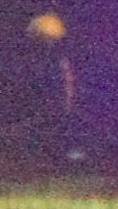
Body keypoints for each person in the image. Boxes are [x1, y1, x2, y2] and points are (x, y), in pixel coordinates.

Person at [29, 12, 85, 164]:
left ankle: (65, 150)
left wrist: (68, 94)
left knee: (62, 119)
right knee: (53, 119)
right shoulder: (46, 58)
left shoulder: (59, 56)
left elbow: (67, 78)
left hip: (60, 94)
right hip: (53, 94)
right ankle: (55, 151)